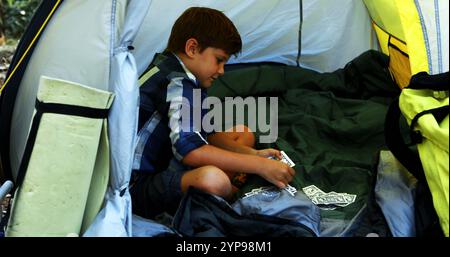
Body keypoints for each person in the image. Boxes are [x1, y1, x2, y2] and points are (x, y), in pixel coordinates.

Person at [131, 7, 295, 219]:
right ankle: (232, 189)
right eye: (219, 60)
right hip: (137, 189)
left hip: (167, 159)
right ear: (192, 48)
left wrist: (253, 154)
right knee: (212, 179)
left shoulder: (179, 72)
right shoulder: (177, 82)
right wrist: (260, 165)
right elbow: (191, 151)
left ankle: (234, 175)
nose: (222, 71)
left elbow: (207, 133)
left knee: (243, 132)